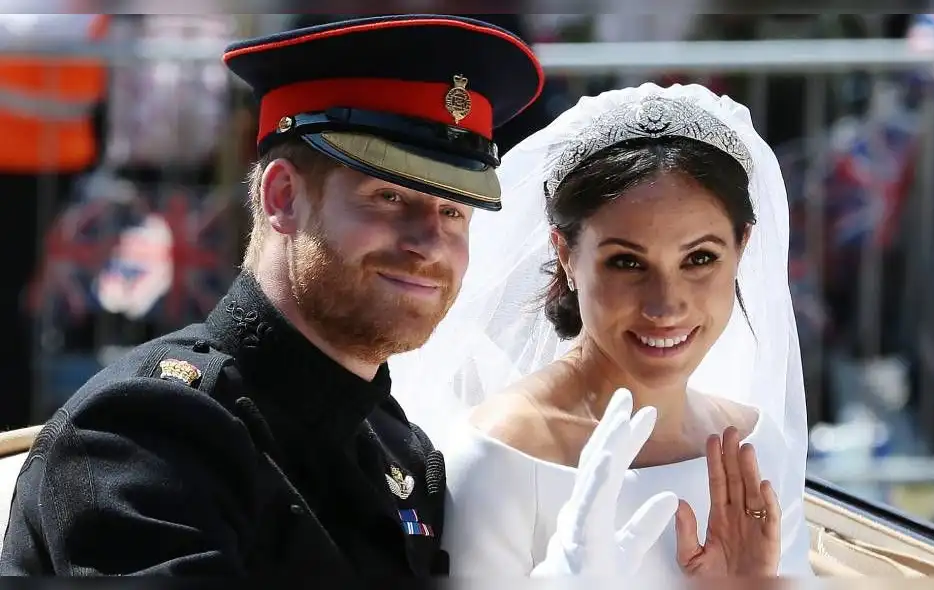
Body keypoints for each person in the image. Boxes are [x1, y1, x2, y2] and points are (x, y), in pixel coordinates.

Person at [0, 15, 544, 576]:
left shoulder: (396, 446)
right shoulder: (151, 434)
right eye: (389, 197)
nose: (430, 243)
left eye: (454, 211)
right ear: (283, 196)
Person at [389, 83, 812, 577]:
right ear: (566, 256)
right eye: (626, 262)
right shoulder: (499, 457)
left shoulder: (755, 450)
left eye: (700, 258)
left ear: (741, 248)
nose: (665, 304)